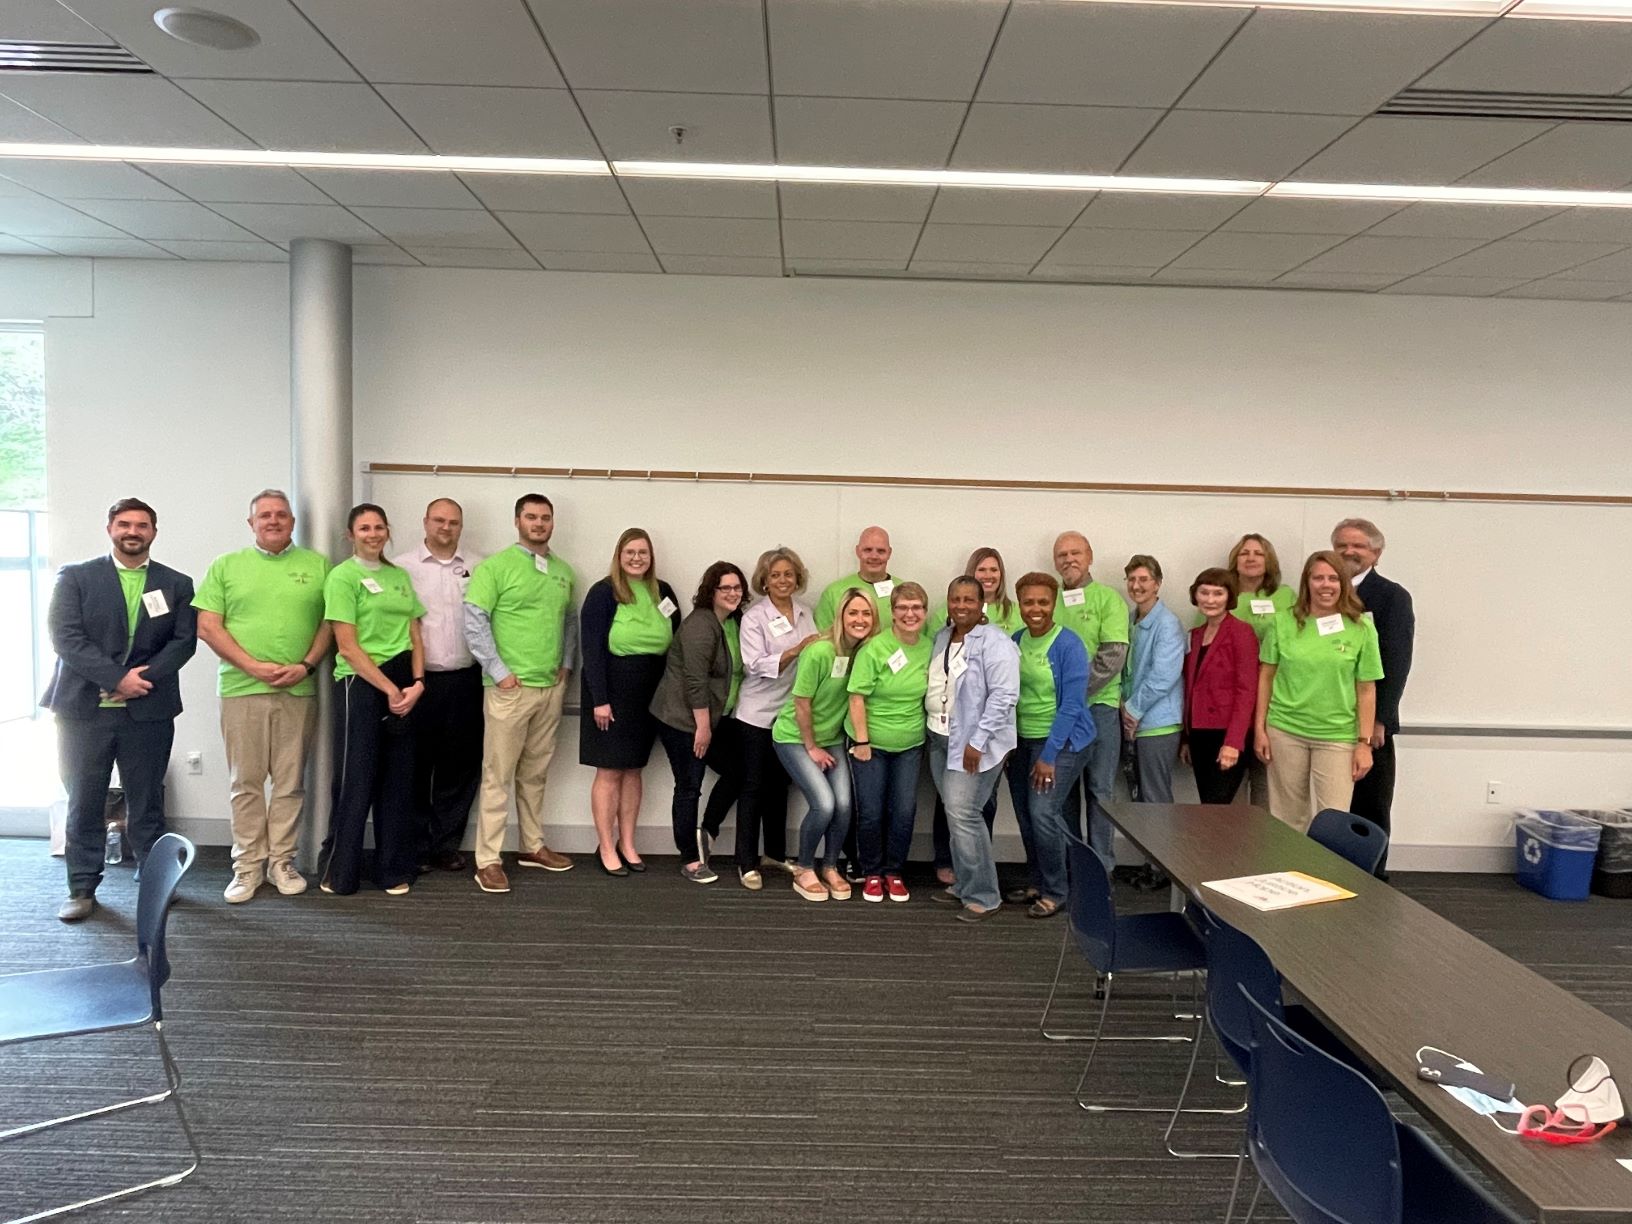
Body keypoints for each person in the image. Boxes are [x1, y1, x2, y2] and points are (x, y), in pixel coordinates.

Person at [42, 498, 196, 922]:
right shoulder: (76, 577)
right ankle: (82, 888)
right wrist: (115, 678)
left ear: (154, 532)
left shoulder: (176, 583)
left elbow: (183, 642)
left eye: (142, 525)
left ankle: (154, 880)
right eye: (124, 524)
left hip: (148, 709)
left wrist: (138, 681)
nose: (133, 531)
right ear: (110, 528)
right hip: (83, 711)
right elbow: (66, 638)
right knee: (84, 801)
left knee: (147, 801)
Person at [194, 489, 331, 904]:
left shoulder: (318, 566)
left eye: (281, 515)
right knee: (246, 783)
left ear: (292, 522)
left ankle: (281, 862)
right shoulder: (226, 566)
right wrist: (252, 666)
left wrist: (306, 665)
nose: (274, 521)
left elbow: (331, 623)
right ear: (251, 523)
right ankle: (248, 866)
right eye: (265, 515)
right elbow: (208, 626)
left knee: (290, 783)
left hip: (298, 689)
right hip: (242, 690)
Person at [462, 494, 577, 895]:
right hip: (509, 691)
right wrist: (499, 672)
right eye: (531, 517)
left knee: (535, 773)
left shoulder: (563, 571)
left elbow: (569, 622)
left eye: (545, 517)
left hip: (549, 689)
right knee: (498, 776)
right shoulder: (494, 568)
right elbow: (474, 621)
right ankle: (488, 861)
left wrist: (565, 666)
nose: (539, 523)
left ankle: (532, 845)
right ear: (517, 521)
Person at [318, 504, 425, 896]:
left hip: (404, 682)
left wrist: (417, 683)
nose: (373, 534)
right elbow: (347, 647)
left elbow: (415, 634)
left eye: (379, 527)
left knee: (398, 780)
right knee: (356, 779)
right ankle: (340, 872)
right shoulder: (342, 577)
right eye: (364, 528)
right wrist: (389, 689)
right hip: (361, 683)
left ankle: (392, 870)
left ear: (388, 531)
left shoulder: (399, 576)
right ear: (351, 535)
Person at [1255, 551, 1383, 833]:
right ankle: (1288, 863)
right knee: (1287, 819)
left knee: (1332, 822)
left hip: (1337, 736)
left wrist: (1364, 744)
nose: (1326, 585)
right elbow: (1266, 676)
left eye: (1333, 578)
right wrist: (1260, 729)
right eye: (1318, 578)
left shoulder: (1362, 628)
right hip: (1285, 730)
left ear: (1343, 583)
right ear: (1307, 582)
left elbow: (1366, 689)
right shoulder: (1282, 622)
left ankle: (1325, 866)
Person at [579, 528, 681, 876]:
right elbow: (592, 649)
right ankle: (606, 847)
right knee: (609, 770)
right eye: (630, 552)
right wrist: (600, 699)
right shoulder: (603, 592)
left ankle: (628, 843)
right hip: (611, 691)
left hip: (649, 693)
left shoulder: (662, 591)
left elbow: (676, 638)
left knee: (634, 769)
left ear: (651, 557)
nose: (637, 558)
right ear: (619, 556)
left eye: (643, 552)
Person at [394, 497, 483, 874]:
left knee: (460, 766)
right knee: (414, 765)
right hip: (417, 681)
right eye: (439, 520)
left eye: (453, 522)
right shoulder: (401, 567)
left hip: (466, 679)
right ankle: (415, 844)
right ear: (425, 522)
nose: (446, 527)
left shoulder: (480, 566)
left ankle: (446, 844)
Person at [773, 587, 876, 903]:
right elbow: (801, 703)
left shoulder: (864, 653)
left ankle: (830, 866)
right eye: (853, 613)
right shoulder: (819, 651)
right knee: (824, 804)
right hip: (795, 737)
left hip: (832, 739)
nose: (859, 619)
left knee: (844, 805)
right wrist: (811, 747)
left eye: (866, 613)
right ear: (840, 616)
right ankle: (804, 869)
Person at [927, 576, 1019, 924]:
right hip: (940, 738)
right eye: (955, 599)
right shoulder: (942, 636)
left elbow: (1004, 696)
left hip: (974, 743)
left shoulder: (996, 642)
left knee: (964, 814)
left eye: (969, 599)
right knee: (957, 815)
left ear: (983, 604)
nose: (961, 605)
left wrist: (977, 741)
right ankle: (965, 884)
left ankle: (984, 896)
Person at [1006, 571, 1096, 919]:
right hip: (1022, 740)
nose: (1036, 608)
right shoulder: (1016, 639)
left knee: (1043, 813)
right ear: (1019, 604)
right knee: (1026, 815)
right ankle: (1038, 881)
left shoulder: (1069, 644)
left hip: (1063, 741)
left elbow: (1072, 706)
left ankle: (1057, 891)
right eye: (1028, 602)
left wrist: (1049, 756)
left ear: (1054, 603)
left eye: (1043, 602)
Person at [730, 546, 820, 889]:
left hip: (789, 713)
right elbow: (754, 665)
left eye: (789, 574)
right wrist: (796, 649)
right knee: (753, 787)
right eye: (775, 575)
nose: (783, 580)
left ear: (798, 578)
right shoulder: (754, 617)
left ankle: (775, 853)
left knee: (780, 786)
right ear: (764, 581)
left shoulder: (805, 611)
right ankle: (746, 862)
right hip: (756, 714)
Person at [651, 561, 745, 886]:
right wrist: (702, 728)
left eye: (737, 587)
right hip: (682, 719)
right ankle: (690, 859)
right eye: (725, 588)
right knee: (689, 786)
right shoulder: (701, 625)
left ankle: (707, 832)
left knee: (738, 771)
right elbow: (695, 681)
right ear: (711, 591)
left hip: (709, 718)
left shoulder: (729, 622)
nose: (733, 593)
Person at [1333, 517, 1414, 875]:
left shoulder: (1392, 596)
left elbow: (1397, 660)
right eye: (1341, 546)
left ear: (1376, 554)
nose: (1348, 552)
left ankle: (1373, 878)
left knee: (1370, 805)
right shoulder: (1322, 593)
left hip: (1371, 723)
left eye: (1358, 546)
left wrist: (1379, 718)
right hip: (1327, 717)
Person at [846, 581, 932, 903]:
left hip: (910, 745)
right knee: (871, 811)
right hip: (871, 744)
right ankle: (871, 872)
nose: (910, 614)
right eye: (903, 608)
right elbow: (856, 697)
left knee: (904, 811)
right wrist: (862, 741)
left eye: (916, 607)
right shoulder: (874, 648)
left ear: (925, 612)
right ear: (892, 612)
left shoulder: (930, 648)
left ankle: (894, 872)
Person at [1051, 531, 1128, 860]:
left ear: (1090, 556)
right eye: (1062, 555)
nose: (1069, 559)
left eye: (1076, 553)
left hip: (1099, 710)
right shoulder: (1049, 599)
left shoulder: (1108, 599)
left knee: (1100, 791)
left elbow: (1113, 655)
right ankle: (1074, 865)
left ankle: (1101, 868)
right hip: (1057, 715)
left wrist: (1072, 693)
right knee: (1062, 793)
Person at [1223, 533, 1294, 808]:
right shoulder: (1221, 594)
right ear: (1235, 560)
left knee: (1267, 787)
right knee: (1230, 787)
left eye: (1258, 553)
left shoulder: (1285, 596)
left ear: (1269, 561)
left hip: (1274, 697)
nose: (1251, 558)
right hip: (1231, 699)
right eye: (1244, 553)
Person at [1182, 567, 1259, 804]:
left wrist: (1233, 742)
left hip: (1225, 733)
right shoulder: (1195, 634)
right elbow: (1190, 687)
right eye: (1204, 593)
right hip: (1199, 733)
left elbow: (1247, 691)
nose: (1210, 600)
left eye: (1218, 593)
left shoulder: (1241, 632)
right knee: (1208, 805)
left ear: (1229, 597)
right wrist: (1186, 738)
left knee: (1217, 806)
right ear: (1195, 595)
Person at [1120, 555, 1184, 806]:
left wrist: (1131, 711)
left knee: (1155, 799)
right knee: (1139, 798)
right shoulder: (1130, 620)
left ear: (1157, 583)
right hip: (1133, 721)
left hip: (1157, 724)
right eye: (1131, 579)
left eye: (1143, 579)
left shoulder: (1168, 624)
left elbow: (1163, 676)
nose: (1136, 585)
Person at [813, 526, 913, 630]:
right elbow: (823, 636)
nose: (874, 556)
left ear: (889, 553)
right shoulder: (833, 592)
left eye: (881, 551)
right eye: (868, 550)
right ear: (858, 551)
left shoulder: (905, 592)